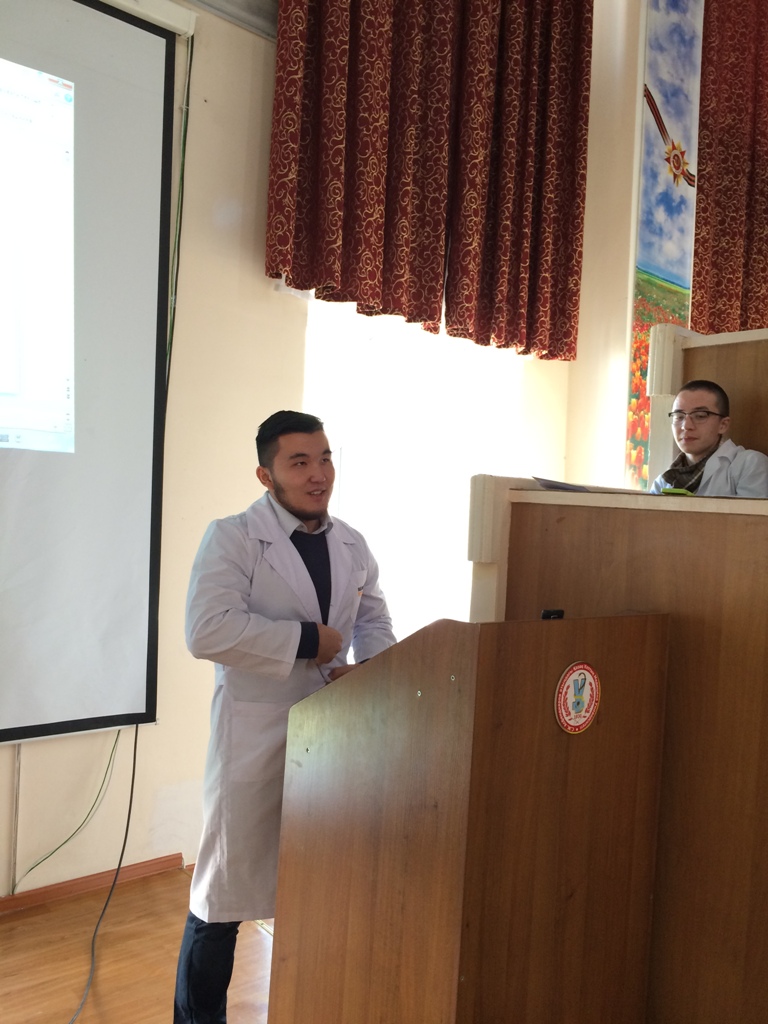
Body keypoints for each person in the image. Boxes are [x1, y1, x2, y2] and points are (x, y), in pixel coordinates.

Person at [174, 410, 396, 1024]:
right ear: (265, 475)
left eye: (325, 458)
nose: (318, 474)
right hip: (255, 735)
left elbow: (374, 620)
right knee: (222, 898)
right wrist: (306, 640)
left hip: (336, 734)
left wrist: (372, 669)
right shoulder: (233, 537)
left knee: (316, 889)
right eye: (299, 462)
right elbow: (205, 629)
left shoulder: (352, 543)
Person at [649, 379, 768, 497]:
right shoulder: (663, 482)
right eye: (679, 416)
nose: (686, 426)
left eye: (700, 416)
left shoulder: (750, 465)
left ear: (723, 425)